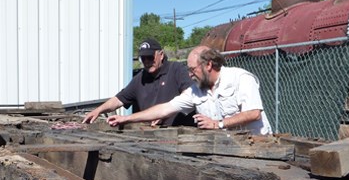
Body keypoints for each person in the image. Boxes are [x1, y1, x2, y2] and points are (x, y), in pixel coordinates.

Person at [106, 46, 272, 135]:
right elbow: (164, 109)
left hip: (258, 147)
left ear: (208, 65)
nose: (190, 75)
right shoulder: (196, 91)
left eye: (193, 70)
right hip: (229, 149)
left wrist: (217, 124)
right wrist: (126, 119)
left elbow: (253, 113)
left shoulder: (240, 78)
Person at [82, 38, 194, 126]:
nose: (147, 61)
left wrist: (166, 113)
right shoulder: (140, 78)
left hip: (180, 133)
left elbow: (189, 95)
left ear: (161, 55)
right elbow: (119, 99)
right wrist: (98, 110)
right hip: (153, 135)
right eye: (143, 58)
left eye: (150, 57)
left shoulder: (176, 69)